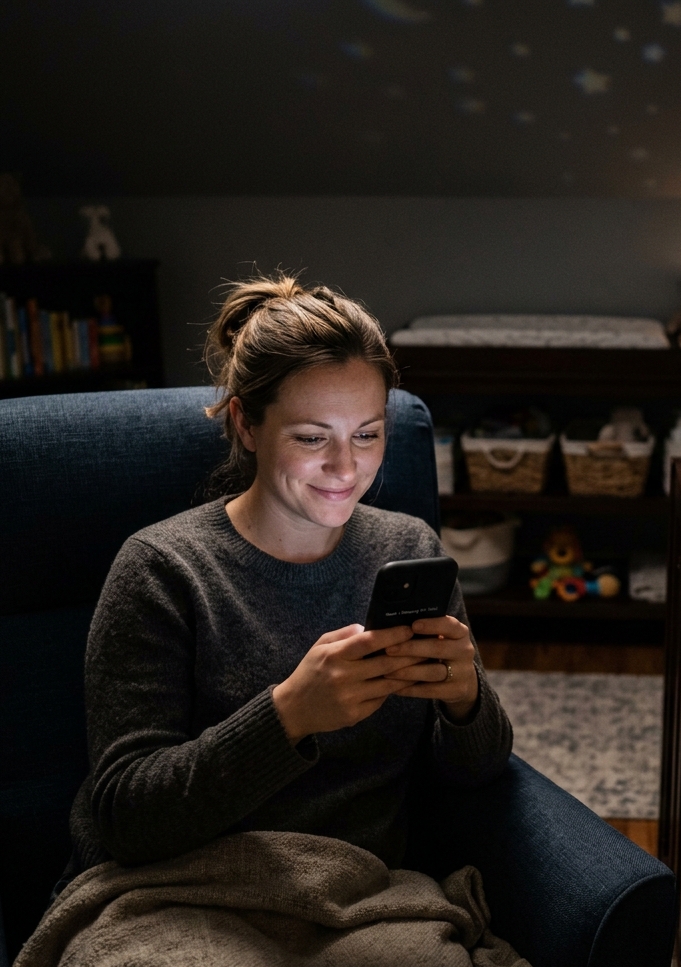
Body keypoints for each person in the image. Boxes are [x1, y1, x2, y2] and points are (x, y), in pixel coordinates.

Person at [66, 274, 513, 876]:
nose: (345, 468)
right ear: (246, 425)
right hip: (184, 897)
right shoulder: (164, 569)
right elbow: (127, 818)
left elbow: (473, 775)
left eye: (368, 435)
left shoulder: (407, 547)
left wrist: (466, 703)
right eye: (311, 437)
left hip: (362, 899)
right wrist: (289, 715)